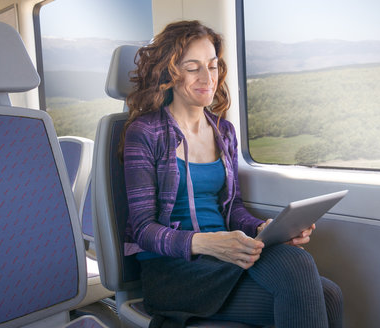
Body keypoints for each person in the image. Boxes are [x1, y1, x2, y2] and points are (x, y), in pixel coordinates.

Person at [122, 20, 343, 328]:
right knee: (310, 281)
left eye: (212, 66)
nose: (206, 78)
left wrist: (265, 227)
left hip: (225, 256)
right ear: (169, 74)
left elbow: (233, 207)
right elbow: (144, 229)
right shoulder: (145, 133)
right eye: (192, 67)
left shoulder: (223, 130)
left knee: (329, 293)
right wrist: (205, 243)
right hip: (174, 271)